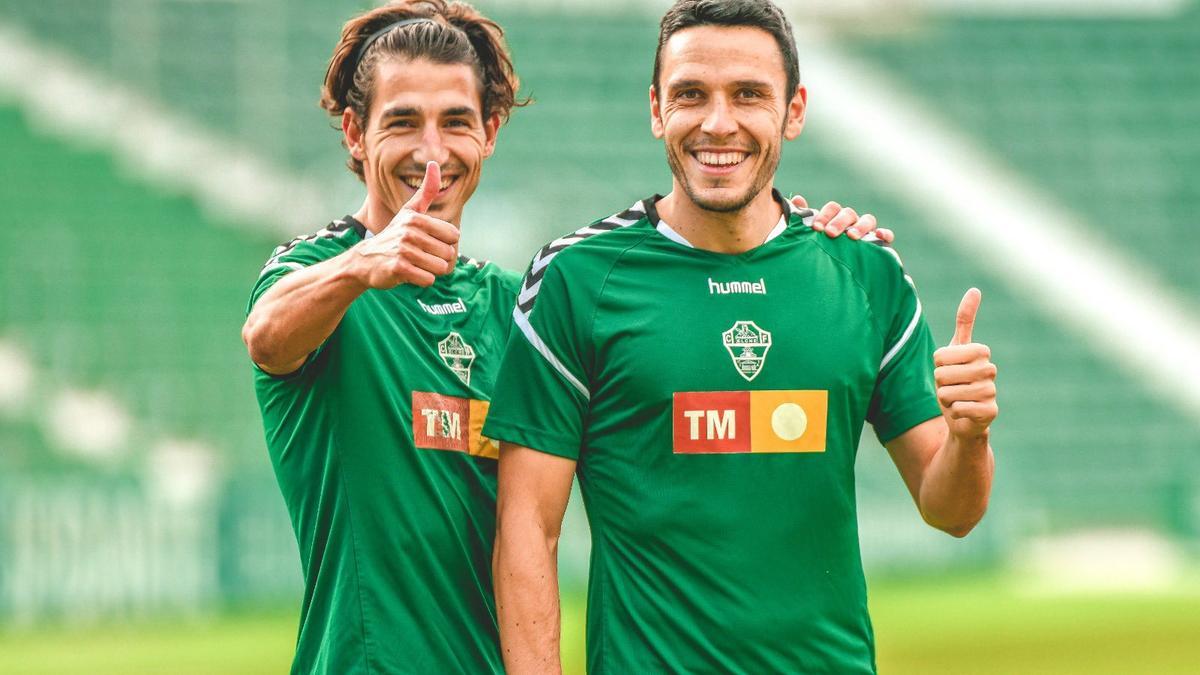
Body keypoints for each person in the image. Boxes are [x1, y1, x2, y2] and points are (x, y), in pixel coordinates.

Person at [241, 1, 882, 672]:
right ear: (353, 132)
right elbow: (267, 336)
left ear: (489, 132)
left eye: (455, 122)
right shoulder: (320, 275)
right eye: (403, 122)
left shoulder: (512, 306)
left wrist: (797, 243)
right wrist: (363, 264)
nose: (432, 150)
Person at [484, 0, 998, 673]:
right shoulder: (577, 280)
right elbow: (526, 527)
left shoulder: (865, 272)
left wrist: (969, 436)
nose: (718, 122)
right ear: (655, 109)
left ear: (794, 110)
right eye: (690, 94)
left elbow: (953, 509)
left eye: (749, 95)